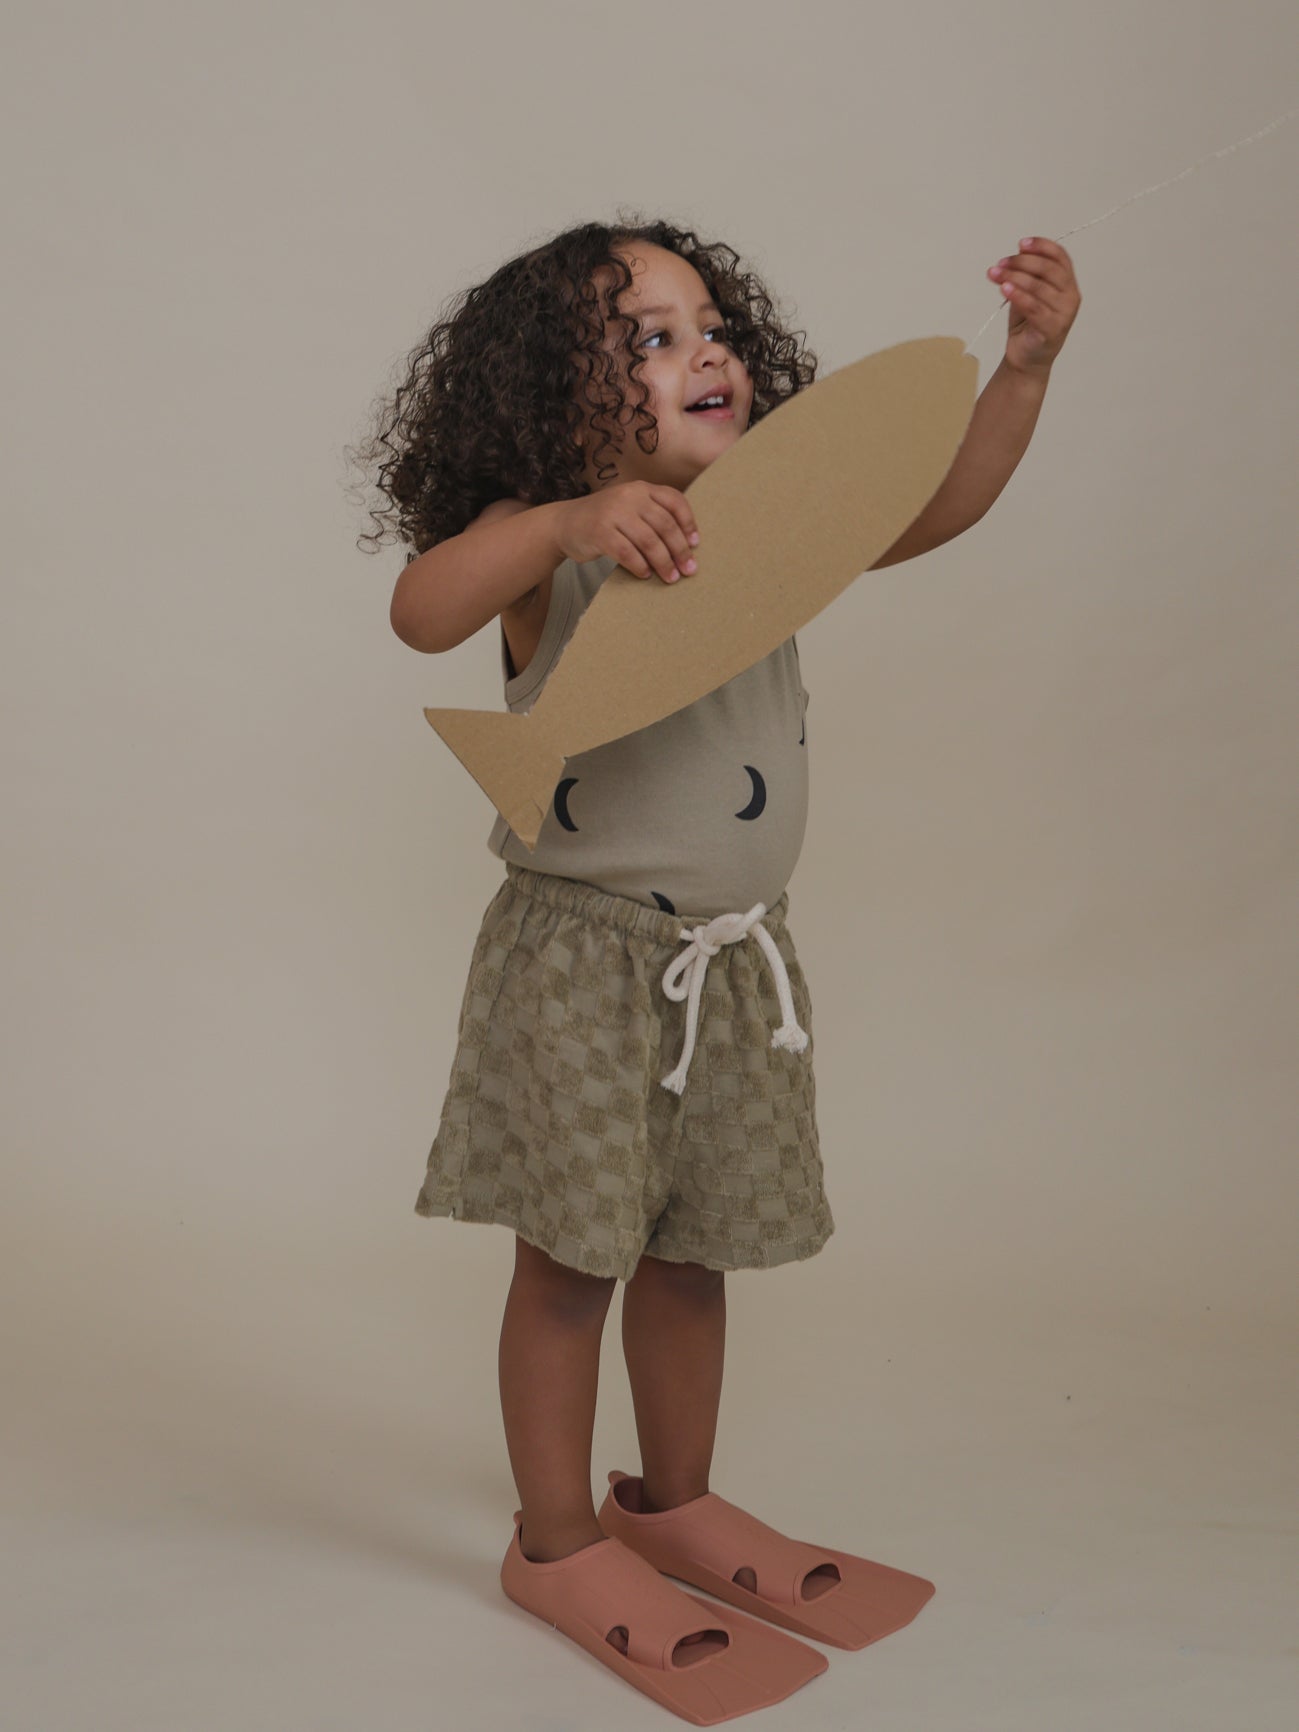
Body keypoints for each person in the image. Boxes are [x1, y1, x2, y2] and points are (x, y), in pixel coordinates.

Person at [358, 214, 1081, 1717]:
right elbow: (419, 607)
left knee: (693, 1253)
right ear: (559, 399)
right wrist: (560, 528)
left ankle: (671, 1503)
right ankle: (554, 1542)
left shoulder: (773, 527)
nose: (708, 352)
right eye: (651, 335)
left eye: (711, 326)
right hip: (584, 968)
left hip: (732, 968)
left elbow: (930, 506)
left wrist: (1021, 372)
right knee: (570, 1264)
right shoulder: (549, 549)